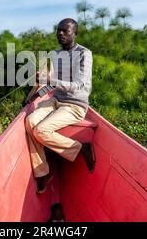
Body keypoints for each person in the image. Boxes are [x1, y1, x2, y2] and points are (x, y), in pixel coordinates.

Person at [25, 18, 95, 194]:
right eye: (58, 30)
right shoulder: (56, 54)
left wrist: (49, 79)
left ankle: (81, 148)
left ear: (75, 34)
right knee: (30, 122)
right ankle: (43, 172)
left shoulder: (84, 54)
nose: (60, 34)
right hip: (56, 100)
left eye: (65, 31)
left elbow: (79, 84)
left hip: (75, 105)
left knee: (41, 131)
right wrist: (37, 94)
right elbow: (53, 85)